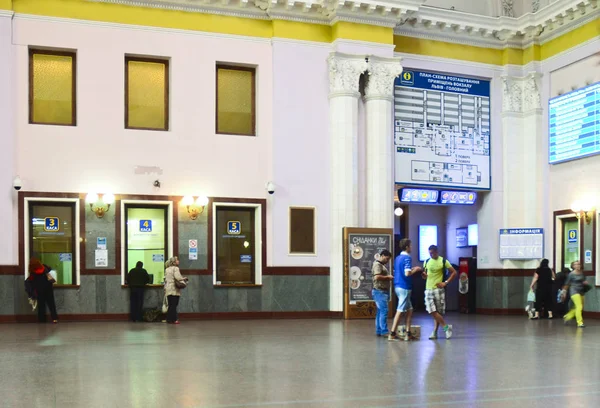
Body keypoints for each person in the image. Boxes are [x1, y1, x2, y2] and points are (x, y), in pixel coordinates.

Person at [389, 239, 422, 341]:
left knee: (409, 309)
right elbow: (407, 273)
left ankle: (408, 333)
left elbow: (400, 271)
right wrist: (416, 269)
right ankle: (392, 333)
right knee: (400, 310)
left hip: (397, 285)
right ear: (407, 247)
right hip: (405, 286)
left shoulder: (397, 258)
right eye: (411, 246)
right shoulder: (407, 258)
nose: (411, 247)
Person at [422, 245, 456, 340]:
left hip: (438, 289)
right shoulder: (427, 261)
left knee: (438, 311)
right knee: (431, 310)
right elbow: (425, 276)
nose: (431, 255)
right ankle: (446, 327)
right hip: (428, 289)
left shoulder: (443, 261)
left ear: (437, 252)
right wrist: (423, 275)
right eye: (430, 253)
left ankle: (435, 332)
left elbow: (454, 272)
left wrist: (445, 283)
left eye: (432, 253)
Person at [28, 258, 58, 323]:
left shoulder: (33, 272)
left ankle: (42, 319)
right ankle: (54, 318)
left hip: (39, 290)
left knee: (41, 305)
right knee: (51, 304)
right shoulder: (45, 268)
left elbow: (32, 282)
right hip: (48, 288)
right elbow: (50, 269)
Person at [372, 250, 393, 337]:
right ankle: (384, 331)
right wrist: (388, 277)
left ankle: (379, 330)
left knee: (380, 311)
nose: (387, 261)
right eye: (387, 258)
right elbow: (377, 277)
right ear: (382, 255)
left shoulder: (381, 265)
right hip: (380, 291)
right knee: (384, 311)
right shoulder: (378, 265)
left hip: (380, 291)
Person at [562, 260, 588, 328]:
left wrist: (585, 282)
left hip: (581, 291)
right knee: (579, 306)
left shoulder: (582, 273)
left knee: (578, 307)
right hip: (574, 291)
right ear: (573, 266)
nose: (578, 265)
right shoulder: (571, 274)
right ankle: (580, 323)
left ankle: (567, 316)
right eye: (576, 264)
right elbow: (566, 284)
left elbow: (584, 280)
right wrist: (564, 292)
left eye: (579, 264)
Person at [164, 257, 188, 324]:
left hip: (168, 288)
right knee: (174, 304)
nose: (178, 261)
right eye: (177, 260)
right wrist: (184, 278)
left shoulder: (167, 269)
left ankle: (169, 319)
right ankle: (174, 319)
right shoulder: (176, 268)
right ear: (174, 262)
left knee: (170, 304)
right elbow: (178, 277)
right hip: (174, 289)